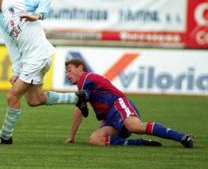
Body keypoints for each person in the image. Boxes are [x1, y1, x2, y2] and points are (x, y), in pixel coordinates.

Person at [0, 0, 88, 144]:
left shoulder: (15, 2)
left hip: (37, 56)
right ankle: (77, 98)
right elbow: (13, 48)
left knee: (12, 96)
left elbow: (45, 0)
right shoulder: (1, 19)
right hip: (33, 59)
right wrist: (17, 73)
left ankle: (5, 137)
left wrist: (38, 15)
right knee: (34, 100)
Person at [64, 58, 195, 148]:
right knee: (95, 139)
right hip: (111, 118)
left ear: (80, 68)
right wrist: (71, 137)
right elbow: (79, 111)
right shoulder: (83, 86)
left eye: (69, 70)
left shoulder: (86, 77)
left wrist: (82, 101)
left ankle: (183, 137)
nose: (67, 74)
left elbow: (81, 104)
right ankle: (141, 143)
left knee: (135, 126)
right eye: (65, 72)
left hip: (118, 105)